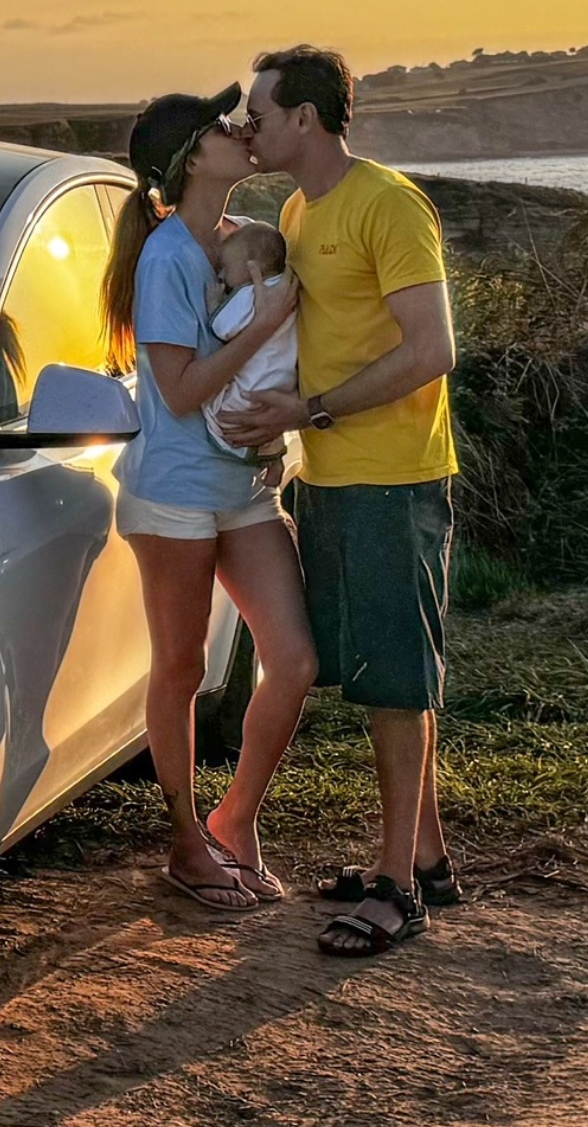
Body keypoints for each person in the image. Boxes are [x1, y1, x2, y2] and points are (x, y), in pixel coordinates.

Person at [219, 46, 462, 957]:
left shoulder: (388, 204)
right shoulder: (295, 207)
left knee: (398, 686)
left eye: (259, 113)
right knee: (377, 677)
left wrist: (310, 409)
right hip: (330, 475)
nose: (248, 128)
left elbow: (431, 348)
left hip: (393, 477)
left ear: (307, 120)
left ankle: (398, 889)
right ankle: (426, 858)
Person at [102, 84, 317, 912]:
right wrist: (265, 323)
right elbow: (182, 391)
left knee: (293, 658)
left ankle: (235, 819)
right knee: (184, 667)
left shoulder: (239, 243)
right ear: (193, 157)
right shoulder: (166, 260)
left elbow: (269, 369)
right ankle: (187, 843)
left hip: (243, 486)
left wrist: (282, 437)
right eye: (222, 125)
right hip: (178, 496)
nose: (239, 129)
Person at [202, 222, 298, 462]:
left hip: (254, 383)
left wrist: (214, 304)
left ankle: (248, 453)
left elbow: (223, 327)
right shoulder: (286, 287)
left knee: (218, 413)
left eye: (225, 267)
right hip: (283, 379)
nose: (221, 274)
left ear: (251, 268)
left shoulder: (251, 294)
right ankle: (273, 455)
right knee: (266, 420)